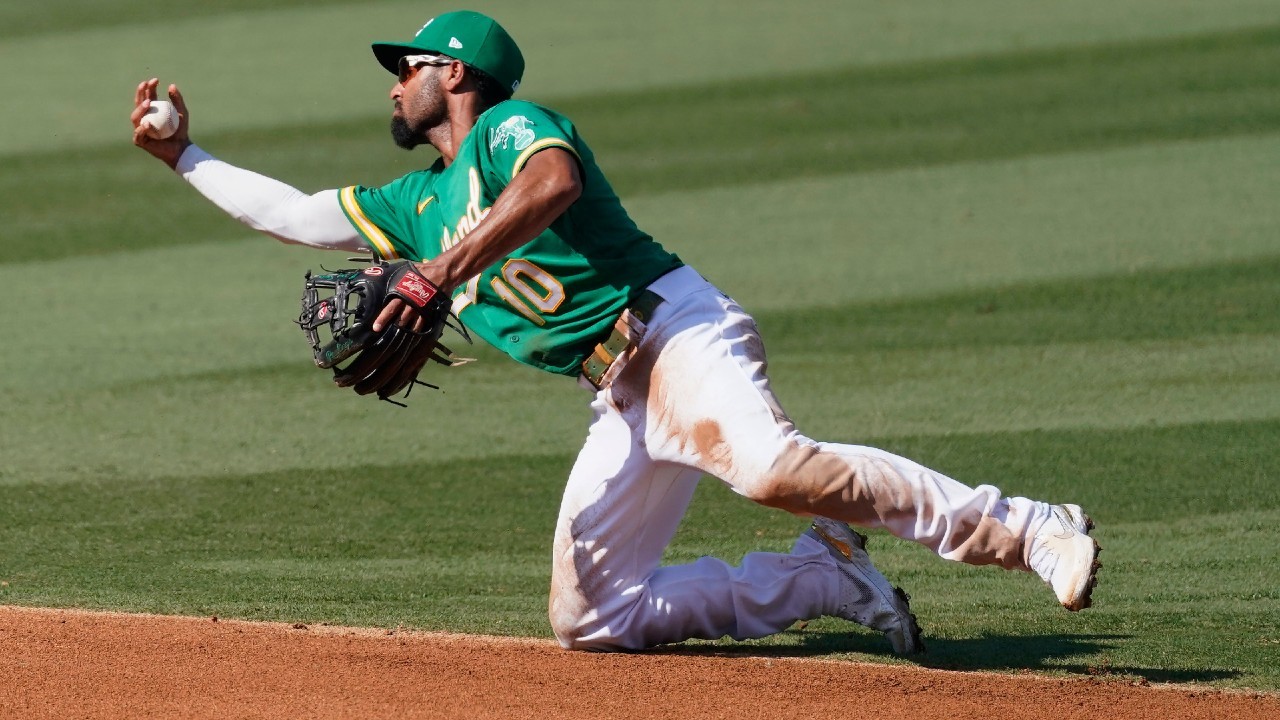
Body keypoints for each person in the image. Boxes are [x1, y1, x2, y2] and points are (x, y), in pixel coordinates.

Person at [130, 10, 1099, 654]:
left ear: (454, 72)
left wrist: (438, 271)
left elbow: (551, 187)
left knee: (767, 468)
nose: (392, 86)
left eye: (406, 67)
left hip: (677, 332)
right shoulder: (416, 202)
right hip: (620, 392)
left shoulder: (510, 128)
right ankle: (817, 577)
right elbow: (298, 214)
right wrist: (183, 156)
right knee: (589, 618)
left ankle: (1023, 527)